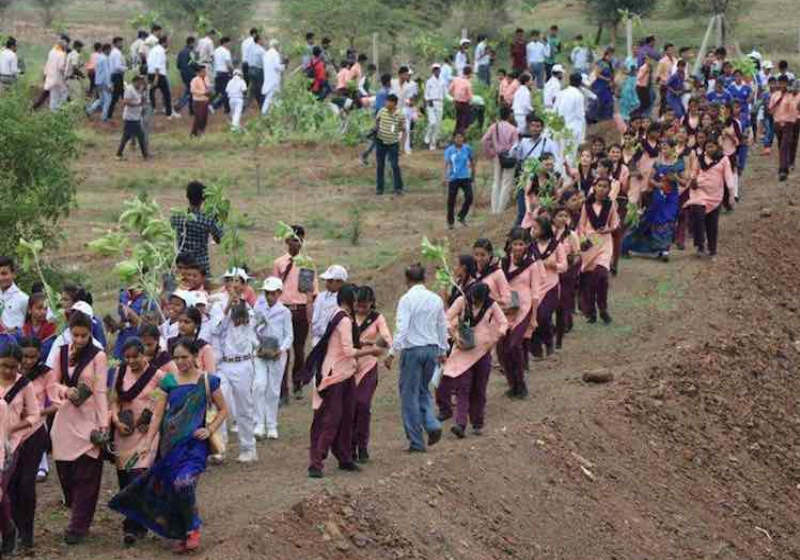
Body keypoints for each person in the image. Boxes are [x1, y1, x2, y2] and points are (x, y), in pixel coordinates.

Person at [109, 338, 228, 553]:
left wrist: (210, 429)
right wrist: (148, 442)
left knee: (184, 483)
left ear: (194, 357)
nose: (181, 362)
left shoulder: (209, 381)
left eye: (185, 357)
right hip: (170, 447)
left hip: (195, 446)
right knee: (173, 489)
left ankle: (193, 529)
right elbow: (158, 414)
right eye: (177, 358)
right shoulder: (169, 382)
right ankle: (181, 533)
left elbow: (223, 410)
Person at [45, 311, 109, 545]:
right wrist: (65, 391)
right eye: (76, 335)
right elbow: (51, 384)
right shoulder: (61, 353)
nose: (80, 340)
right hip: (66, 418)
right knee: (65, 470)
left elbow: (101, 391)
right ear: (70, 334)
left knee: (87, 474)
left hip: (89, 418)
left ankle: (78, 526)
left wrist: (103, 424)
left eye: (84, 335)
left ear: (90, 333)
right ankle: (76, 508)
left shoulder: (98, 356)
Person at [110, 338, 166, 546]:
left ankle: (133, 527)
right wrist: (116, 420)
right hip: (124, 433)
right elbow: (115, 400)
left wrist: (150, 422)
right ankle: (137, 520)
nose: (132, 361)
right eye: (128, 357)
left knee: (137, 478)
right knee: (125, 481)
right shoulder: (120, 373)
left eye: (136, 356)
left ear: (144, 355)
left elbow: (163, 403)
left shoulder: (158, 376)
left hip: (146, 434)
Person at [384, 264, 447, 453]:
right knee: (424, 390)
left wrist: (392, 352)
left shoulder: (406, 299)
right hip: (431, 349)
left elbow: (402, 328)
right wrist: (443, 349)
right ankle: (431, 423)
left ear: (407, 279)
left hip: (412, 351)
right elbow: (442, 325)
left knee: (409, 396)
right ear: (424, 279)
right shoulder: (435, 299)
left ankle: (416, 441)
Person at [438, 282, 507, 438]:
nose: (476, 303)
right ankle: (460, 424)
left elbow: (503, 323)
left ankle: (477, 422)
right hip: (464, 350)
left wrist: (495, 338)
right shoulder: (462, 301)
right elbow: (446, 318)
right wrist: (454, 336)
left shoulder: (491, 305)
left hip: (483, 352)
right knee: (463, 387)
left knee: (479, 389)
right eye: (475, 300)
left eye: (479, 301)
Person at [0, 343, 40, 554]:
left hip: (10, 445)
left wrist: (12, 427)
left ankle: (8, 531)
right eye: (4, 366)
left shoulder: (24, 385)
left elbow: (34, 415)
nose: (8, 371)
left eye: (12, 367)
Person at [272, 225, 318, 401]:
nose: (296, 243)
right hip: (283, 308)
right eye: (292, 239)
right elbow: (274, 288)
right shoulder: (279, 263)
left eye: (299, 240)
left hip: (299, 310)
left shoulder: (307, 263)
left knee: (299, 349)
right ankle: (283, 389)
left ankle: (297, 383)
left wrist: (310, 312)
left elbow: (311, 291)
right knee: (283, 350)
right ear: (286, 241)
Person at [351, 286, 392, 463]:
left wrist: (376, 345)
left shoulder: (377, 318)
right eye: (358, 305)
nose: (361, 309)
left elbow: (386, 338)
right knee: (349, 408)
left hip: (368, 366)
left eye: (364, 306)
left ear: (371, 304)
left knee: (362, 404)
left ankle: (362, 446)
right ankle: (349, 446)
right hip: (349, 367)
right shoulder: (348, 317)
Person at [253, 278, 292, 440]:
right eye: (267, 293)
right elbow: (252, 329)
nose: (269, 296)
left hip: (277, 354)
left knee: (273, 390)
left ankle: (271, 424)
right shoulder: (258, 307)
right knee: (259, 385)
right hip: (260, 352)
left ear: (279, 293)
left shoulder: (284, 312)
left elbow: (289, 335)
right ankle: (259, 423)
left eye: (272, 293)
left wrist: (281, 350)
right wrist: (257, 346)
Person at [578, 177, 619, 324]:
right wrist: (583, 241)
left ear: (609, 189)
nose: (602, 189)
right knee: (589, 280)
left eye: (605, 187)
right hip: (590, 243)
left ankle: (603, 308)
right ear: (594, 187)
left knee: (601, 276)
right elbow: (581, 225)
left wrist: (608, 229)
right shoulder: (586, 205)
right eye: (599, 186)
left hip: (605, 240)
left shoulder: (611, 204)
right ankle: (591, 311)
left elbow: (615, 222)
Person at [685, 137, 734, 257]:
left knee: (712, 223)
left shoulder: (723, 159)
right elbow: (694, 172)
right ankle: (700, 245)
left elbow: (728, 177)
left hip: (715, 195)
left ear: (717, 147)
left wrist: (731, 195)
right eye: (707, 147)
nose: (709, 149)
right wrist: (692, 179)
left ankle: (712, 248)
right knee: (698, 217)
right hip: (699, 192)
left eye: (712, 146)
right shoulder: (700, 158)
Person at [529, 216, 566, 357]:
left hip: (551, 285)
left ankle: (549, 341)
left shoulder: (556, 246)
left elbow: (564, 266)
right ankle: (536, 349)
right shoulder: (531, 247)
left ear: (544, 229)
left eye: (536, 228)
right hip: (534, 286)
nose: (533, 230)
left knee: (543, 316)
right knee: (533, 318)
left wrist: (553, 265)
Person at [170, 181, 223, 276]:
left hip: (182, 266)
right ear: (203, 199)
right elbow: (219, 238)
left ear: (187, 196)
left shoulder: (176, 217)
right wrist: (219, 219)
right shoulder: (207, 219)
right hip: (201, 268)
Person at [481, 106, 519, 214]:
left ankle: (494, 209)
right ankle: (500, 210)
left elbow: (484, 140)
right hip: (509, 157)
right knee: (506, 183)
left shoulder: (494, 126)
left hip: (497, 156)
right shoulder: (513, 129)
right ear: (509, 115)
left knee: (496, 181)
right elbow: (515, 146)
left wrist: (490, 152)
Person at [443, 131, 476, 228]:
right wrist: (445, 177)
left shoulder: (467, 148)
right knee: (451, 200)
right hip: (454, 178)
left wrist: (473, 172)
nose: (459, 139)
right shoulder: (450, 150)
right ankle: (450, 221)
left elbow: (472, 160)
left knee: (469, 196)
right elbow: (446, 163)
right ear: (454, 139)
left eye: (461, 137)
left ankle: (462, 215)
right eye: (457, 137)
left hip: (465, 177)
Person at [374, 93, 405, 196]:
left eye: (388, 101)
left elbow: (403, 130)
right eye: (386, 101)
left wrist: (402, 146)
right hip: (381, 142)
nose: (386, 103)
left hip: (393, 143)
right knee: (380, 166)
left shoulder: (400, 115)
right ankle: (379, 188)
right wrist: (376, 130)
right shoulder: (382, 111)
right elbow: (377, 121)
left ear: (394, 103)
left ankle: (398, 188)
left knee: (395, 165)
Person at [769, 75, 798, 181]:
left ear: (787, 84)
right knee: (780, 145)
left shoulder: (791, 95)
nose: (782, 85)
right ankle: (784, 164)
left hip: (788, 123)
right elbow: (770, 110)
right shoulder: (774, 95)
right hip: (777, 123)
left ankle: (783, 170)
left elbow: (794, 109)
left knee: (784, 146)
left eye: (784, 83)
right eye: (780, 83)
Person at [311, 265, 348, 348]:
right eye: (327, 281)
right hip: (318, 339)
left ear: (340, 282)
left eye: (330, 281)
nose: (327, 283)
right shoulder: (321, 296)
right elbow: (315, 317)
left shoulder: (343, 300)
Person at [554, 73, 588, 161]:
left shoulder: (561, 93)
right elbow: (580, 115)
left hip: (559, 128)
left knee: (559, 153)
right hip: (573, 129)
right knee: (570, 154)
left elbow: (555, 110)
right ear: (580, 83)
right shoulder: (579, 95)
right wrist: (582, 136)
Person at [116, 75, 149, 160]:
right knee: (140, 136)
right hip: (130, 117)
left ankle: (119, 153)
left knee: (127, 136)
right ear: (135, 81)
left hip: (135, 117)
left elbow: (141, 98)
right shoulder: (129, 89)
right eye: (139, 82)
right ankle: (145, 155)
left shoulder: (138, 90)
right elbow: (126, 101)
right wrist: (137, 104)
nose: (141, 84)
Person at [0, 257, 29, 332]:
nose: (0, 278)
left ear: (14, 274)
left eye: (4, 273)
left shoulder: (23, 299)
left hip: (14, 342)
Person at [85, 43, 111, 120]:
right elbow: (106, 73)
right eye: (109, 50)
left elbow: (97, 70)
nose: (110, 52)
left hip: (98, 81)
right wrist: (108, 84)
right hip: (103, 82)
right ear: (107, 50)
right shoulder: (105, 59)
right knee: (107, 100)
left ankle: (89, 110)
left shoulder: (99, 58)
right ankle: (104, 116)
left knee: (101, 99)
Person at [424, 64, 446, 151]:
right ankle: (427, 137)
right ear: (433, 71)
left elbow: (445, 93)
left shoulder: (442, 81)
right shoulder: (429, 81)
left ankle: (433, 143)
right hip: (431, 102)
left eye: (438, 70)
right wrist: (428, 101)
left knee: (437, 125)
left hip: (440, 102)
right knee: (432, 122)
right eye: (435, 70)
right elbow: (426, 94)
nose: (437, 71)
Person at [261, 39, 285, 115]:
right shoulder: (275, 54)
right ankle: (264, 114)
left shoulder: (266, 54)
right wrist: (284, 66)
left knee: (275, 99)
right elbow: (277, 66)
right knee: (270, 99)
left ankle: (277, 114)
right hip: (274, 80)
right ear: (276, 46)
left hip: (268, 79)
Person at [591, 48, 615, 121]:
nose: (610, 57)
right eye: (609, 56)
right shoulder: (601, 63)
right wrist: (606, 79)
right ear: (605, 55)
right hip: (600, 85)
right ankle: (597, 117)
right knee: (601, 101)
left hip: (607, 85)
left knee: (608, 101)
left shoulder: (609, 64)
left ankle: (606, 118)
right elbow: (597, 74)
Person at [211, 36, 233, 113]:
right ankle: (214, 106)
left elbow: (213, 60)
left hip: (217, 73)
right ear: (225, 43)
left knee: (218, 91)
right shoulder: (226, 51)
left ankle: (226, 109)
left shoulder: (216, 50)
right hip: (224, 73)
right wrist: (232, 71)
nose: (230, 44)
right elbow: (228, 64)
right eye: (229, 43)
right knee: (226, 92)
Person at [449, 65, 474, 134]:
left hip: (456, 102)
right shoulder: (468, 83)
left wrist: (454, 96)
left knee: (458, 119)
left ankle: (455, 134)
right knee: (464, 120)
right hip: (464, 103)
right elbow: (470, 97)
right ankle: (460, 135)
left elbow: (450, 90)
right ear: (470, 74)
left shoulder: (456, 79)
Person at [106, 37, 127, 120]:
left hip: (115, 76)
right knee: (116, 96)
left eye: (121, 42)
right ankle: (109, 115)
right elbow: (117, 67)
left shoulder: (114, 52)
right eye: (119, 43)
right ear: (115, 43)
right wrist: (126, 68)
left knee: (122, 95)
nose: (121, 44)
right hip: (117, 76)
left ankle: (110, 115)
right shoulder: (117, 53)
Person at [189, 64, 211, 136]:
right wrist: (203, 93)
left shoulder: (206, 78)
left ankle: (201, 131)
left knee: (204, 117)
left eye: (205, 71)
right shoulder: (194, 80)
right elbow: (193, 90)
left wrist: (208, 91)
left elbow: (208, 87)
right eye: (203, 72)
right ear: (198, 72)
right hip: (198, 101)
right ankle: (195, 132)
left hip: (205, 100)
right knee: (199, 117)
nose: (204, 73)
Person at [246, 35, 265, 109]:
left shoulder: (251, 49)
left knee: (254, 88)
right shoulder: (261, 50)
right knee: (260, 87)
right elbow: (264, 61)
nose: (263, 41)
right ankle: (262, 105)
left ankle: (254, 103)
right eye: (262, 39)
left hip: (250, 69)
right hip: (258, 70)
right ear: (259, 40)